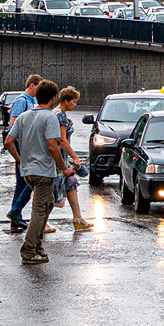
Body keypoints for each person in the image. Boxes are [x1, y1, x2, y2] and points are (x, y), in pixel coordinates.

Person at [4, 81, 75, 264]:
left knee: (48, 203)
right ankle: (29, 251)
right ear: (53, 98)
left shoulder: (24, 116)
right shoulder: (50, 118)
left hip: (27, 171)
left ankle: (37, 247)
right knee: (39, 211)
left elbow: (8, 141)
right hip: (43, 171)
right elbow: (52, 146)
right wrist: (64, 168)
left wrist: (19, 159)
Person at [52, 86, 93, 232]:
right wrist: (75, 158)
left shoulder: (59, 113)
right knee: (55, 196)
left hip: (61, 159)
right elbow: (62, 140)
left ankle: (78, 218)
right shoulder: (59, 115)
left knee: (71, 182)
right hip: (56, 160)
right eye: (73, 101)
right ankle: (40, 222)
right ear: (65, 101)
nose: (75, 105)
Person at [6, 74, 42, 233]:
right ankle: (15, 211)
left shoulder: (31, 101)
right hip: (23, 146)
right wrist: (23, 145)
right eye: (38, 87)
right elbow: (14, 124)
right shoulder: (21, 101)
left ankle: (15, 218)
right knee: (32, 180)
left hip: (26, 145)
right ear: (32, 85)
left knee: (22, 183)